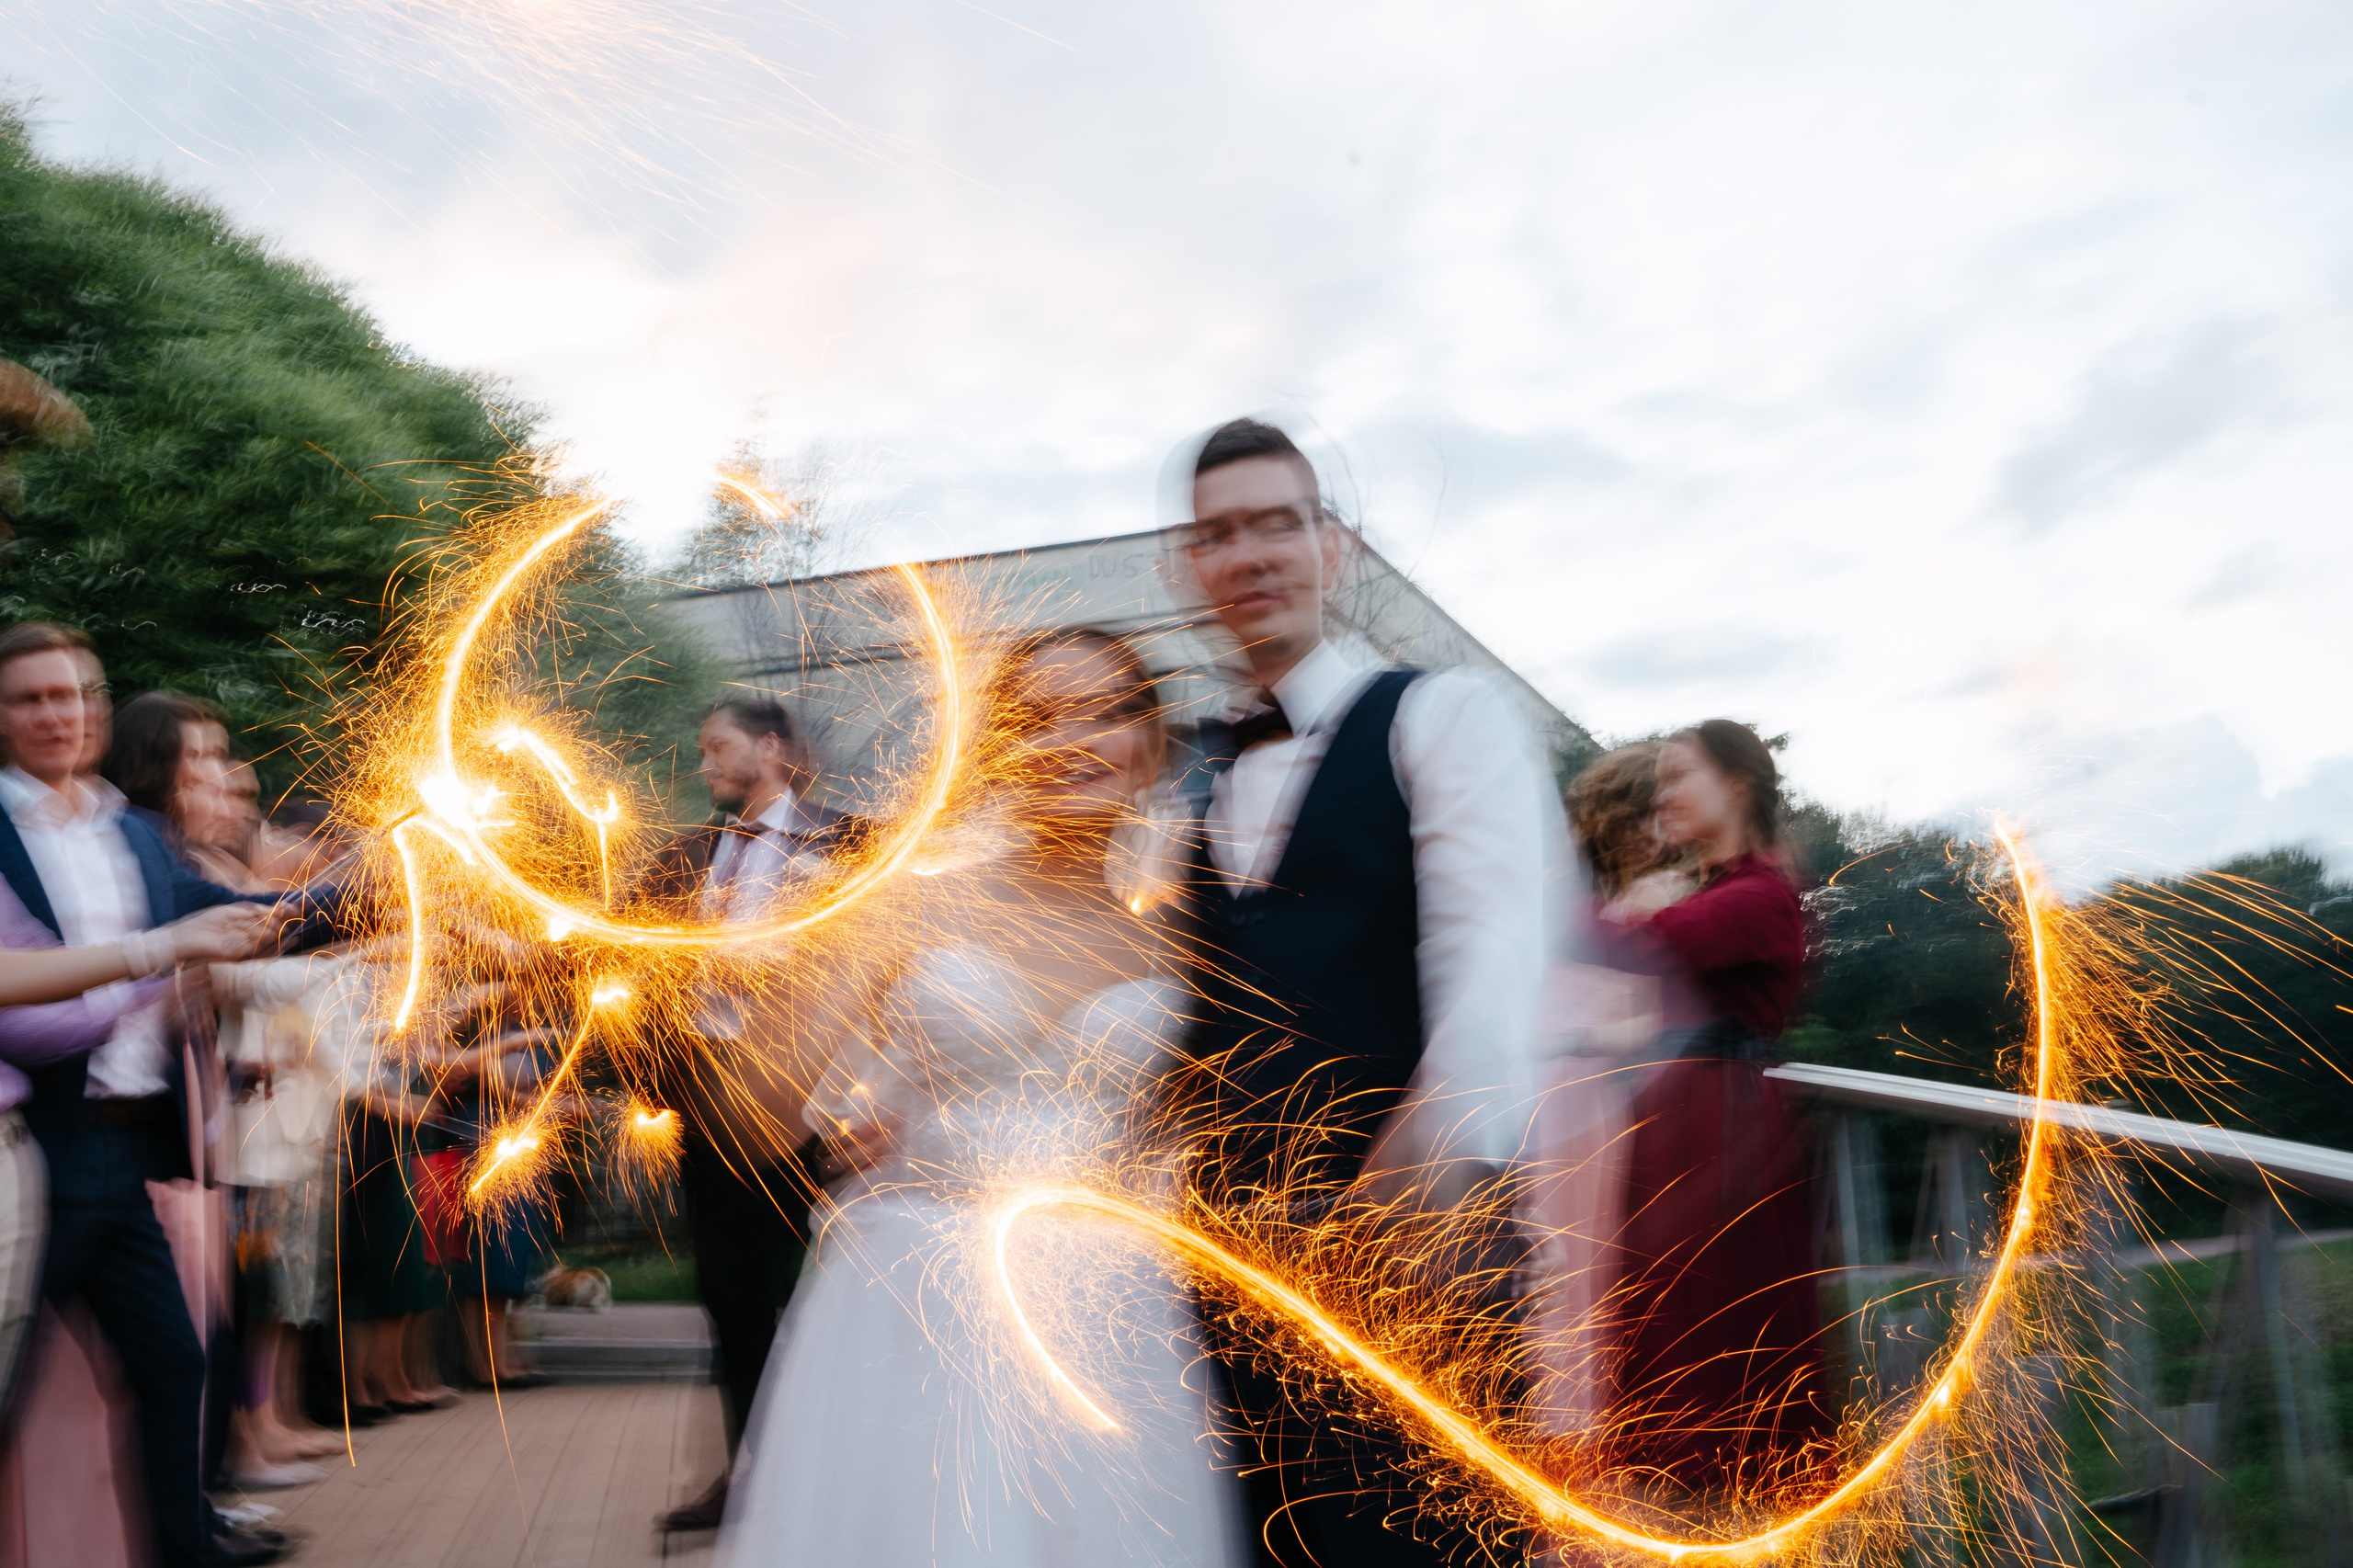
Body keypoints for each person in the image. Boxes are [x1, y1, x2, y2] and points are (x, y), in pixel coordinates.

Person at [720, 628, 1245, 1568]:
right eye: (1038, 719)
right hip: (918, 1300)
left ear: (1151, 746)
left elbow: (1212, 1126)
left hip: (1111, 1311)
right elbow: (756, 1119)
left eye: (1102, 714)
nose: (1070, 741)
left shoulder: (1190, 935)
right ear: (996, 748)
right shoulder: (905, 901)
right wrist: (806, 965)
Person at [1161, 418, 1556, 1567]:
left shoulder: (1442, 716)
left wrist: (1407, 1209)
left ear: (1333, 546)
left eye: (1277, 524)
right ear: (1190, 567)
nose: (1251, 555)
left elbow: (1492, 976)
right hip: (1235, 1281)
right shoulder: (1188, 781)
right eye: (1219, 534)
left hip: (1415, 1264)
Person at [0, 624, 314, 1568]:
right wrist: (155, 964)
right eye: (31, 698)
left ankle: (187, 1550)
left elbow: (226, 916)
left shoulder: (132, 830)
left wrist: (381, 902)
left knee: (175, 1364)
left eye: (74, 694)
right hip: (35, 1143)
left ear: (99, 706)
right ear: (3, 716)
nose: (58, 714)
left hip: (130, 1147)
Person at [638, 698, 869, 1533]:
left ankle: (845, 1482)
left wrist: (783, 971)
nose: (704, 763)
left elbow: (889, 962)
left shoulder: (852, 842)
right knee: (732, 1299)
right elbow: (625, 953)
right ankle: (755, 1479)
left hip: (826, 1104)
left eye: (717, 747)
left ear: (769, 747)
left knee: (838, 1294)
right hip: (711, 1104)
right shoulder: (682, 855)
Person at [1589, 720, 1832, 1498]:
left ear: (1735, 783)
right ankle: (1687, 1489)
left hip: (1720, 1136)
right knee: (1672, 1321)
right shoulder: (1723, 889)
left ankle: (1722, 1498)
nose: (1661, 795)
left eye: (1676, 775)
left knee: (1713, 1326)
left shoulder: (1758, 897)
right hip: (1686, 1125)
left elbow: (1623, 948)